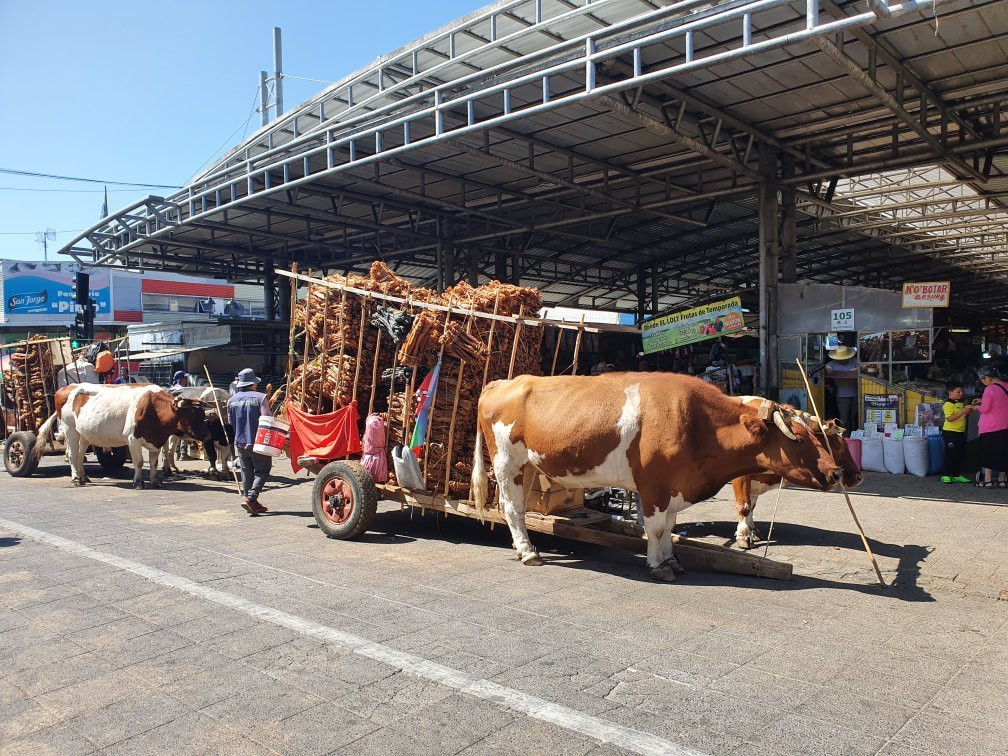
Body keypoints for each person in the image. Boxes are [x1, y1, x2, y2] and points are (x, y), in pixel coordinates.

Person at [227, 368, 273, 514]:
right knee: (263, 470)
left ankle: (251, 502)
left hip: (239, 442)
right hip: (257, 442)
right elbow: (268, 419)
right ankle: (251, 498)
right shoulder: (261, 398)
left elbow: (230, 421)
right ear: (252, 383)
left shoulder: (231, 400)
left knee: (247, 473)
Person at [972, 365, 1008, 488]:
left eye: (982, 380)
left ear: (987, 378)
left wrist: (977, 407)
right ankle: (1002, 480)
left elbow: (986, 409)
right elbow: (1000, 402)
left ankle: (987, 480)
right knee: (1004, 452)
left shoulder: (989, 389)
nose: (982, 382)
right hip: (1005, 425)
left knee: (988, 453)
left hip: (990, 426)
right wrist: (982, 401)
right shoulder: (1006, 386)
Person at [940, 381, 973, 484]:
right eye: (958, 391)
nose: (961, 393)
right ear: (950, 392)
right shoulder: (948, 404)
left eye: (962, 391)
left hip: (960, 432)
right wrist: (963, 411)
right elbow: (950, 418)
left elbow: (961, 415)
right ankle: (945, 475)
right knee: (950, 454)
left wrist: (970, 408)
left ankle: (956, 474)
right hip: (950, 433)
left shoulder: (960, 403)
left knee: (959, 454)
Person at [826, 345, 859, 432]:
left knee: (855, 416)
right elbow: (827, 366)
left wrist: (857, 370)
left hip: (855, 394)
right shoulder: (833, 363)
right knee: (844, 418)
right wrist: (828, 369)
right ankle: (844, 436)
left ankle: (855, 433)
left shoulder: (854, 361)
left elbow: (862, 367)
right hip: (841, 396)